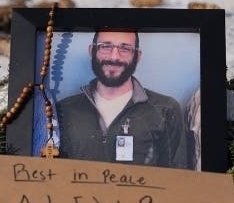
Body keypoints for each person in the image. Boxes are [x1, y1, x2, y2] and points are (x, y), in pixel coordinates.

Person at [55, 29, 188, 169]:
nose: (114, 57)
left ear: (137, 55)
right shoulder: (64, 109)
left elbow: (177, 182)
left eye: (125, 48)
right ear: (92, 51)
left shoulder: (166, 110)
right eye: (105, 46)